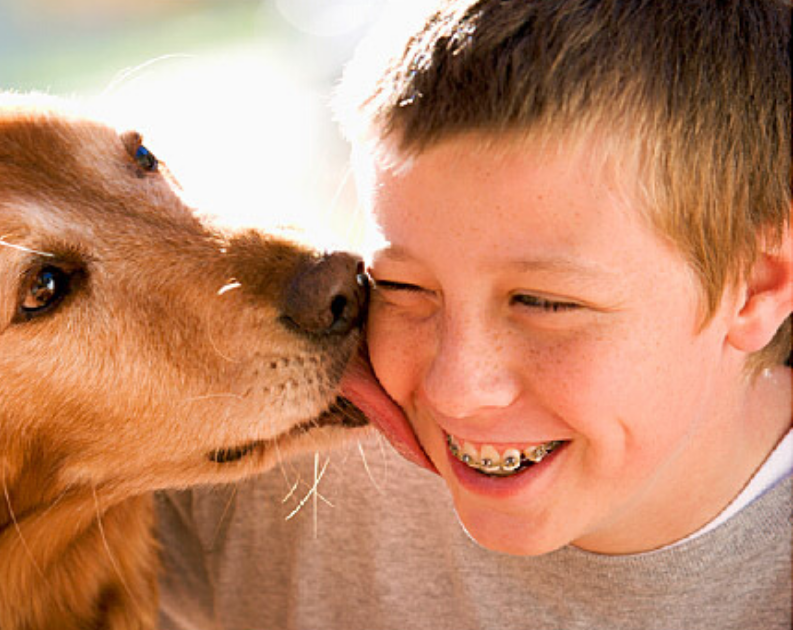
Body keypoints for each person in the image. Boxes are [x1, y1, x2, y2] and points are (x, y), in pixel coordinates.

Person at [156, 0, 792, 628]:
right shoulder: (280, 468)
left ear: (758, 286)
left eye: (542, 303)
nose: (454, 391)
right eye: (402, 286)